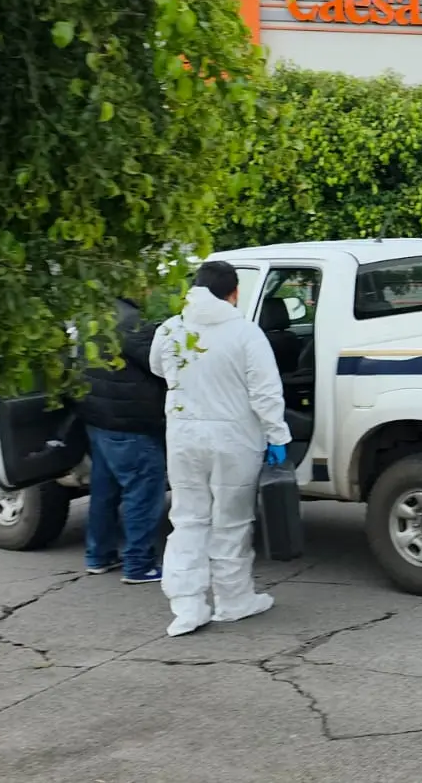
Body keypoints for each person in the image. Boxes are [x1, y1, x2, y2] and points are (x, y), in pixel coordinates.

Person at [150, 261, 291, 637]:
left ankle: (188, 607)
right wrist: (278, 437)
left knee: (188, 520)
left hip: (183, 439)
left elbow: (158, 369)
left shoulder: (171, 328)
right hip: (235, 441)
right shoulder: (246, 333)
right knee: (231, 522)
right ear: (234, 293)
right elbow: (265, 392)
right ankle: (234, 601)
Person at [74, 296, 168, 583]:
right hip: (132, 424)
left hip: (99, 419)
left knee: (105, 490)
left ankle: (99, 556)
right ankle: (139, 564)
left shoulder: (92, 317)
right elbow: (164, 365)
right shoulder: (134, 324)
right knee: (143, 491)